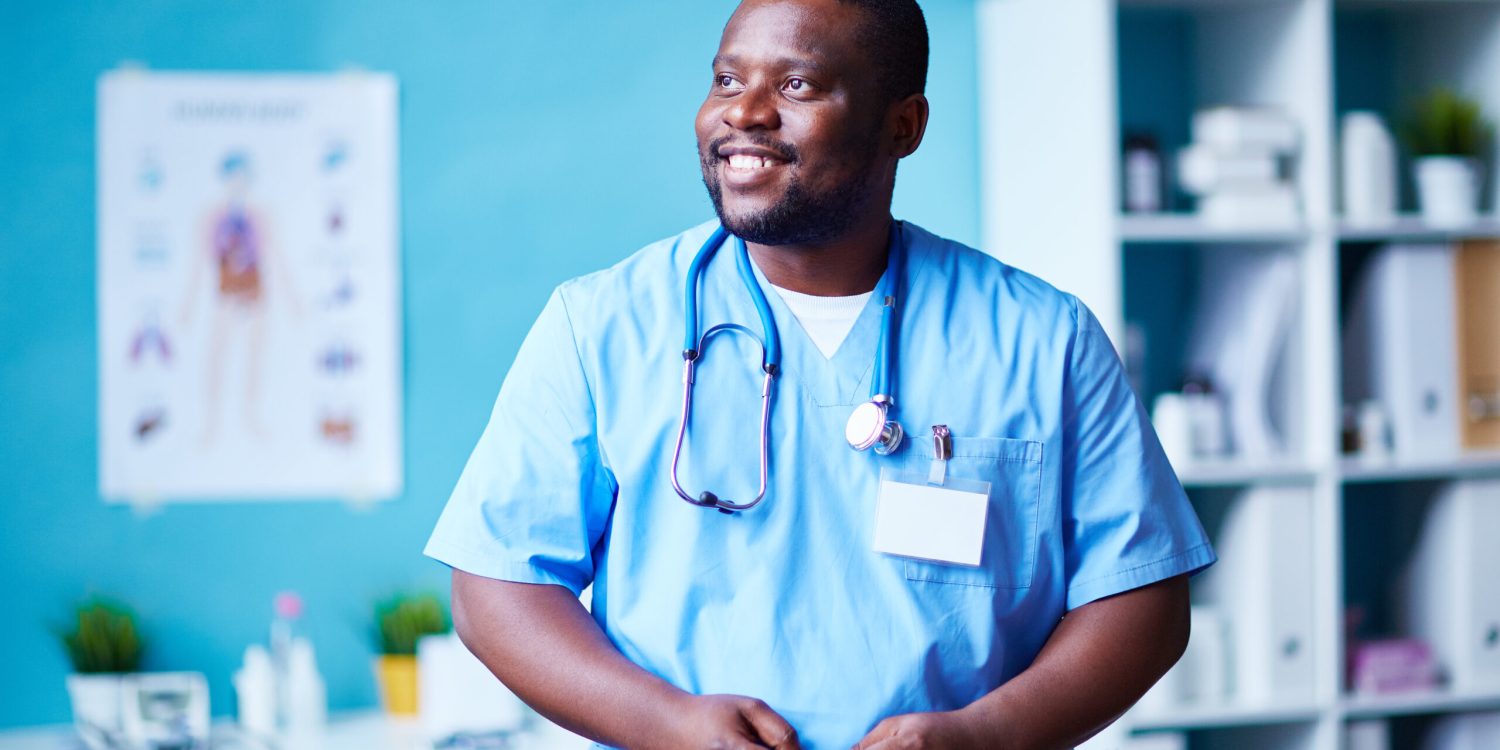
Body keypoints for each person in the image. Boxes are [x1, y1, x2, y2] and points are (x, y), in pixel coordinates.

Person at [424, 1, 1215, 748]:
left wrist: (993, 735)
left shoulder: (1044, 339)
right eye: (728, 79)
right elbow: (498, 589)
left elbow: (1142, 600)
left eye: (795, 84)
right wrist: (664, 725)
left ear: (903, 126)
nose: (744, 111)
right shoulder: (601, 326)